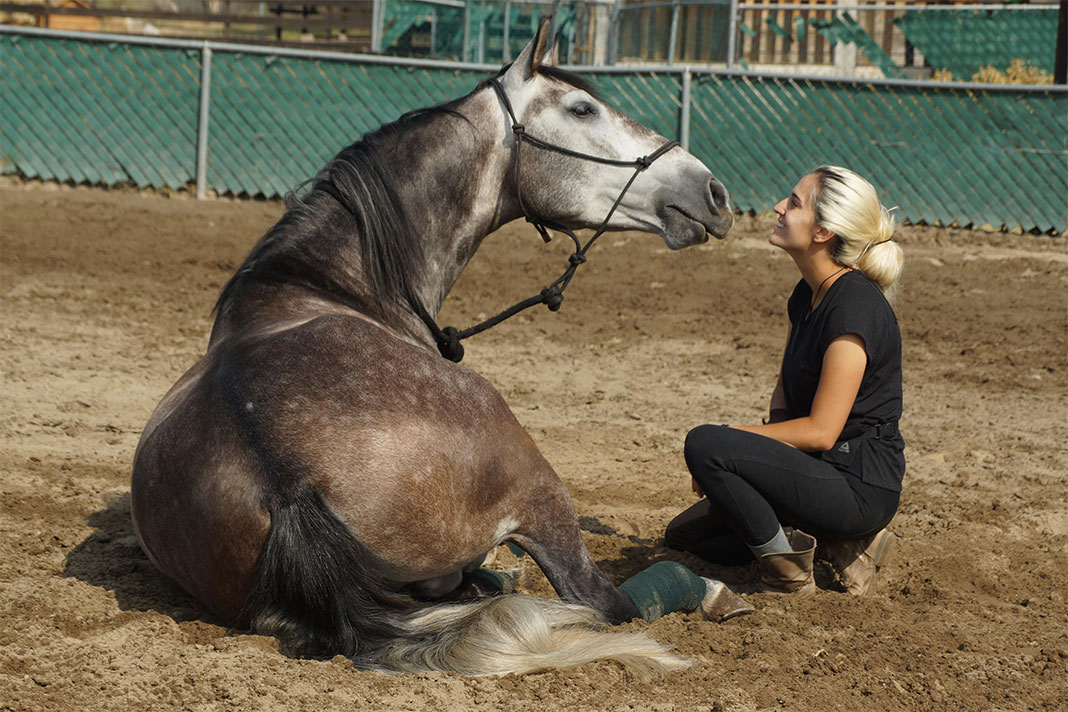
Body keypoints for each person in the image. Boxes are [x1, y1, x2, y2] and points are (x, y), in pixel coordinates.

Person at [665, 165, 905, 597]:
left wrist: (729, 442)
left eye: (793, 203)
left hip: (858, 486)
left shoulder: (854, 308)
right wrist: (745, 455)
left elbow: (821, 430)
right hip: (818, 470)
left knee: (705, 443)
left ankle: (789, 575)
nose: (778, 206)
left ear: (823, 232)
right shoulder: (807, 293)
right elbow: (785, 394)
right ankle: (838, 544)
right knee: (684, 537)